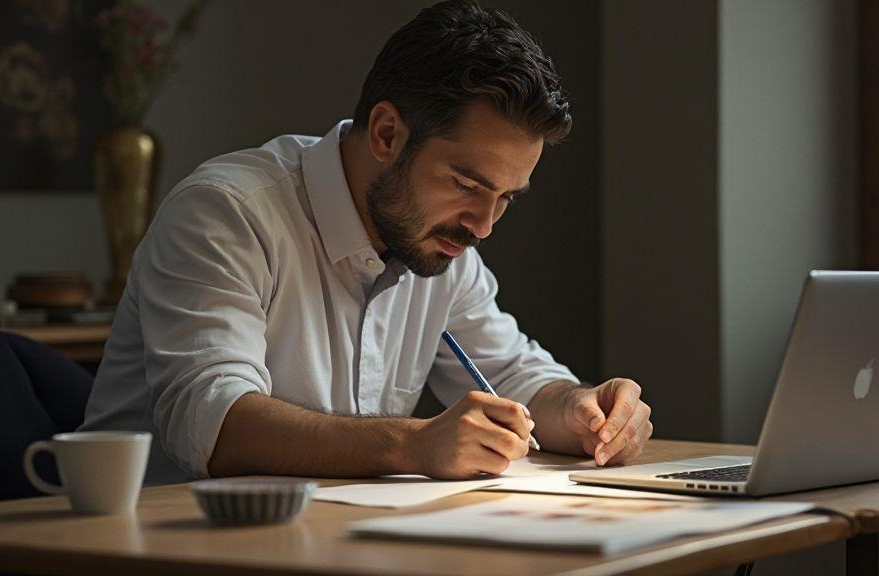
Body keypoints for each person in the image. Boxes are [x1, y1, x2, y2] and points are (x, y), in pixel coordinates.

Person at [80, 0, 653, 485]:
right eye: (466, 184)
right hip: (148, 550)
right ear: (386, 133)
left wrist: (584, 412)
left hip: (321, 545)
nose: (483, 225)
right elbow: (214, 422)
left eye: (506, 197)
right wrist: (414, 445)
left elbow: (513, 379)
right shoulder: (226, 213)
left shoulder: (444, 245)